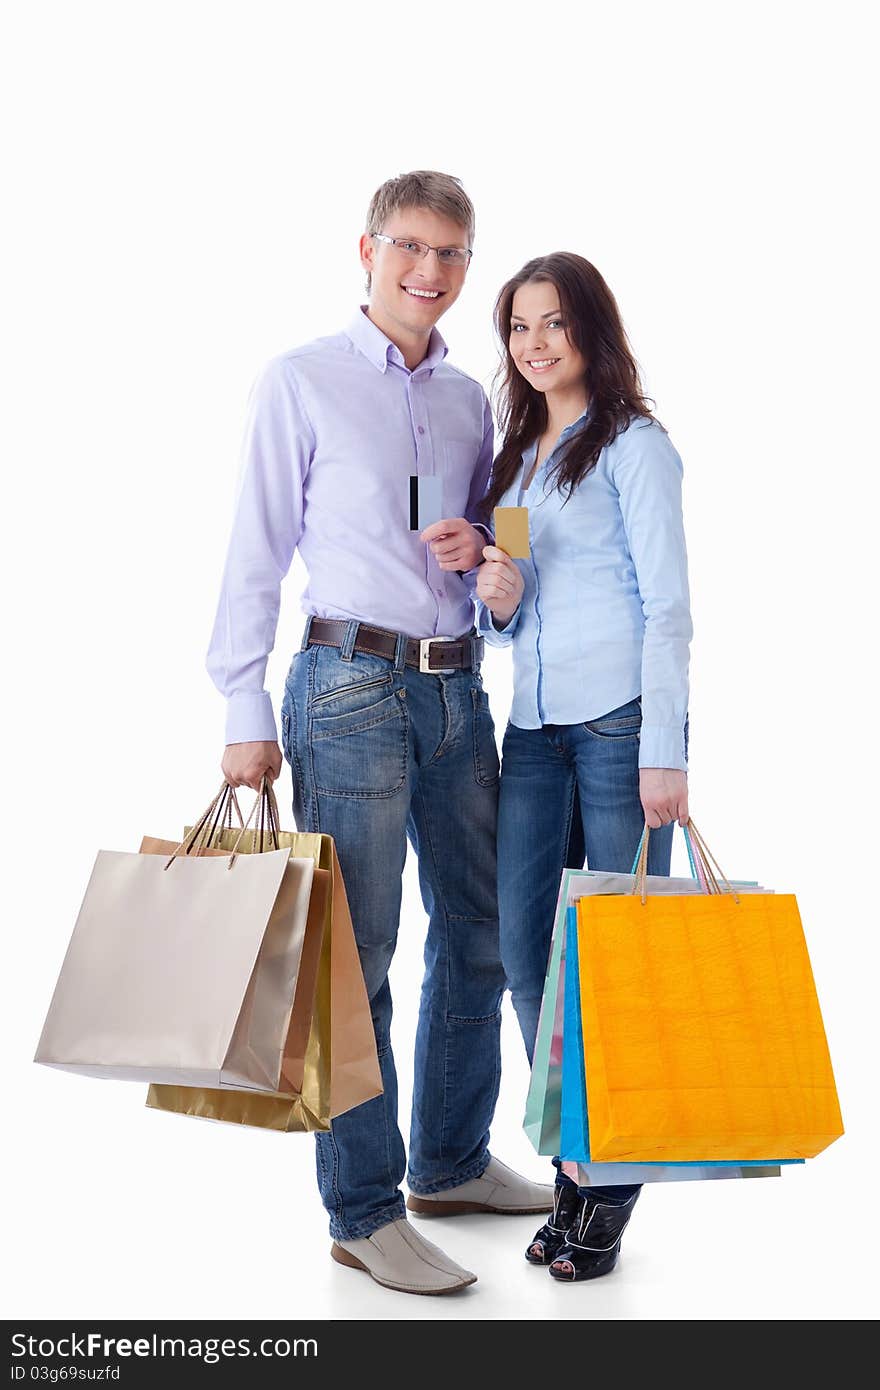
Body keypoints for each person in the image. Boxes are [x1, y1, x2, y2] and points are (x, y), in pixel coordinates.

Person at [206, 171, 552, 1297]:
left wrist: (490, 564)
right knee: (355, 963)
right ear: (365, 250)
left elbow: (508, 549)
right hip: (345, 685)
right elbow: (255, 553)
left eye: (453, 253)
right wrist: (243, 708)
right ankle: (361, 1209)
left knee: (486, 931)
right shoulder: (299, 381)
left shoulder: (471, 404)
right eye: (411, 246)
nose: (431, 271)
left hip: (457, 695)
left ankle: (446, 1162)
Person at [475, 252, 692, 1282]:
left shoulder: (634, 446)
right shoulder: (516, 457)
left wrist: (665, 752)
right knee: (527, 955)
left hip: (616, 738)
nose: (535, 343)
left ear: (590, 329)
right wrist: (497, 593)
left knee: (619, 969)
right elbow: (507, 620)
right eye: (518, 327)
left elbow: (668, 608)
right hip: (533, 735)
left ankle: (607, 1182)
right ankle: (573, 1155)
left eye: (553, 322)